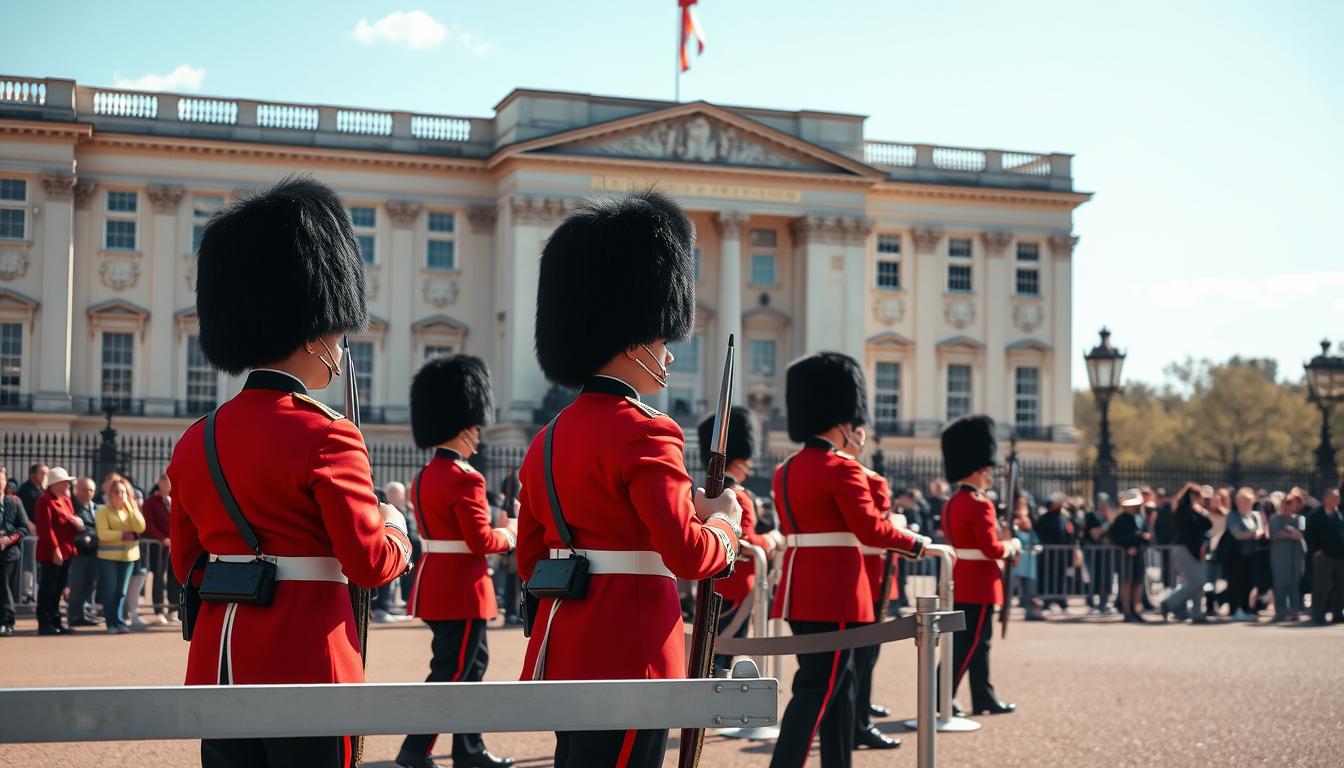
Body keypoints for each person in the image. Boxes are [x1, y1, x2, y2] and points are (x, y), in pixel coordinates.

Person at [168, 176, 412, 768]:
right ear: (314, 330)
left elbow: (186, 562)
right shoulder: (327, 433)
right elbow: (369, 563)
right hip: (307, 662)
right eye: (336, 328)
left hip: (218, 662)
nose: (340, 341)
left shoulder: (196, 439)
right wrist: (396, 524)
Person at [515, 191, 742, 768]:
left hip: (565, 644)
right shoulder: (647, 431)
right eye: (664, 341)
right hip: (632, 647)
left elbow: (529, 558)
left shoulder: (548, 437)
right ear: (639, 340)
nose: (669, 356)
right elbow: (688, 555)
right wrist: (726, 527)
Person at [769, 352, 930, 767]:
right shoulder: (842, 469)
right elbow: (872, 530)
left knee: (840, 692)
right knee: (817, 693)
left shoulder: (786, 469)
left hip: (799, 591)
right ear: (842, 420)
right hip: (836, 594)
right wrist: (917, 543)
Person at [396, 354, 515, 768]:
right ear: (465, 428)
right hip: (462, 589)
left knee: (462, 669)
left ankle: (464, 749)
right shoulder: (466, 477)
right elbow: (480, 541)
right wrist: (512, 533)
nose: (479, 437)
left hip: (436, 583)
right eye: (476, 428)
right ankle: (420, 749)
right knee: (457, 672)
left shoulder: (424, 475)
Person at [937, 415, 1018, 719]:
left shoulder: (953, 501)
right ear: (980, 469)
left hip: (961, 579)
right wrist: (1012, 547)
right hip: (980, 583)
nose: (990, 475)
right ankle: (943, 695)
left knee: (972, 644)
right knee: (969, 645)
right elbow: (991, 548)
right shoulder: (980, 503)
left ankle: (982, 696)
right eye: (988, 470)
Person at [699, 406, 778, 678]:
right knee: (725, 658)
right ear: (739, 457)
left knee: (711, 653)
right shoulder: (738, 496)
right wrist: (771, 540)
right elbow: (741, 541)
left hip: (714, 582)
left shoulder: (711, 490)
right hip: (737, 588)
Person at [853, 442, 910, 751]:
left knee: (862, 658)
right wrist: (899, 527)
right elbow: (877, 528)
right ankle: (859, 720)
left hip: (868, 575)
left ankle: (860, 710)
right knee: (863, 656)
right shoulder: (871, 480)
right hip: (871, 577)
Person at [34, 467, 82, 635]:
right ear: (55, 484)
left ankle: (56, 621)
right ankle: (45, 622)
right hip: (51, 553)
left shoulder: (66, 500)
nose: (67, 485)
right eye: (64, 482)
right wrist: (55, 549)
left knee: (59, 588)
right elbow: (46, 529)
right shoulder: (44, 501)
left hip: (66, 549)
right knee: (48, 588)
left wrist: (78, 525)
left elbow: (70, 522)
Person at [95, 476, 146, 634]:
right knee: (110, 591)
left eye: (123, 492)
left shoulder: (130, 510)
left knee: (121, 592)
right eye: (116, 492)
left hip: (129, 557)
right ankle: (111, 623)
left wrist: (132, 508)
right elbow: (103, 534)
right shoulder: (102, 511)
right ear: (110, 494)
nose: (119, 495)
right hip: (108, 558)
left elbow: (140, 527)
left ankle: (120, 621)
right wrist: (122, 535)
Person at [1159, 484, 1212, 624]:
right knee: (1197, 581)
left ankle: (1197, 613)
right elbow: (1192, 531)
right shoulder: (1184, 511)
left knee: (1197, 581)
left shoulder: (1193, 511)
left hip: (1194, 548)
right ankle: (1169, 603)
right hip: (1186, 548)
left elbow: (1207, 524)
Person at [1224, 487, 1267, 621]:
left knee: (1250, 583)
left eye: (1249, 501)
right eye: (1244, 501)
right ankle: (1236, 609)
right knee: (1237, 583)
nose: (1246, 504)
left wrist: (1255, 534)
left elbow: (1261, 530)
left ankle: (1247, 608)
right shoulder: (1233, 515)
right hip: (1237, 555)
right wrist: (1252, 534)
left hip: (1252, 554)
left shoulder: (1255, 515)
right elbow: (1237, 534)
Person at [142, 473, 179, 623]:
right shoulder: (151, 502)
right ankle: (158, 609)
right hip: (159, 546)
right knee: (158, 577)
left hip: (175, 545)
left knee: (175, 577)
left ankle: (173, 608)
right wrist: (161, 538)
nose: (167, 485)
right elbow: (149, 524)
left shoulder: (176, 500)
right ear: (159, 483)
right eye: (164, 482)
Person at [1108, 489, 1150, 622]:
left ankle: (1135, 609)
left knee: (1138, 583)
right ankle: (1127, 610)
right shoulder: (1119, 520)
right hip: (1125, 555)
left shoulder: (1139, 518)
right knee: (1126, 582)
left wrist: (1143, 540)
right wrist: (1129, 546)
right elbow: (1114, 537)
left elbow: (1145, 535)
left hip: (1138, 554)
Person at [1305, 486, 1344, 625]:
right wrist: (1316, 550)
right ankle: (1318, 615)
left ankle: (1337, 614)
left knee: (1340, 587)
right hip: (1323, 556)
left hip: (1340, 556)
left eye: (1338, 497)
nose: (1337, 499)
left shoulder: (1340, 514)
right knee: (1321, 586)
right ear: (1326, 498)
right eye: (1334, 497)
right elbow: (1308, 534)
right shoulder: (1315, 515)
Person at [66, 477, 101, 627]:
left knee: (91, 584)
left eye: (91, 490)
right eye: (85, 489)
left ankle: (86, 613)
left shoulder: (98, 508)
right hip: (79, 553)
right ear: (77, 490)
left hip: (95, 551)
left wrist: (88, 533)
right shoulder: (72, 507)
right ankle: (75, 615)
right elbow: (72, 527)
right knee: (78, 585)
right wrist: (87, 534)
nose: (88, 493)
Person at [0, 466, 31, 637]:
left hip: (9, 552)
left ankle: (7, 622)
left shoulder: (14, 501)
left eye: (1, 479)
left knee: (5, 588)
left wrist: (8, 538)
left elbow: (24, 527)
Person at [1268, 489, 1306, 622]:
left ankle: (1294, 611)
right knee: (1279, 585)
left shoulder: (1300, 519)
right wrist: (1289, 534)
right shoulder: (1274, 518)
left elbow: (1301, 535)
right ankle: (1280, 612)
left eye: (1290, 503)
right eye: (1285, 503)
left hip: (1295, 558)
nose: (1287, 506)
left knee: (1295, 585)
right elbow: (1273, 535)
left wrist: (1287, 534)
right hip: (1279, 558)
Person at [1082, 493, 1114, 614]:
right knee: (1094, 577)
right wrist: (1106, 526)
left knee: (1107, 578)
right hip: (1093, 552)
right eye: (1101, 502)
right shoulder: (1090, 516)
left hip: (1106, 553)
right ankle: (1092, 602)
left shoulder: (1110, 517)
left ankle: (1104, 603)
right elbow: (1093, 533)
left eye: (1105, 502)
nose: (1103, 504)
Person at [1013, 498, 1044, 621]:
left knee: (1030, 588)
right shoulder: (1012, 523)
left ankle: (1031, 611)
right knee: (1010, 587)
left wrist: (1036, 547)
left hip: (1028, 561)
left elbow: (1034, 539)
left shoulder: (1029, 524)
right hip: (1015, 561)